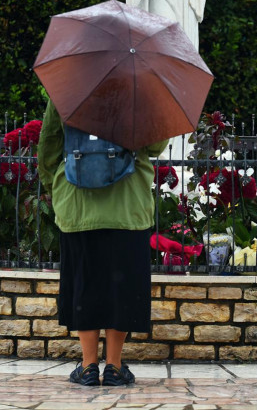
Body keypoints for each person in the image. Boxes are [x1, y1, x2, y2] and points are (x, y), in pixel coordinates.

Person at [37, 99, 168, 386]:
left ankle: (87, 366)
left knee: (85, 283)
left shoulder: (66, 89)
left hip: (77, 204)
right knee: (122, 288)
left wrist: (55, 187)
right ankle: (115, 366)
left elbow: (48, 147)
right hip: (127, 205)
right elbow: (155, 146)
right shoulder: (139, 91)